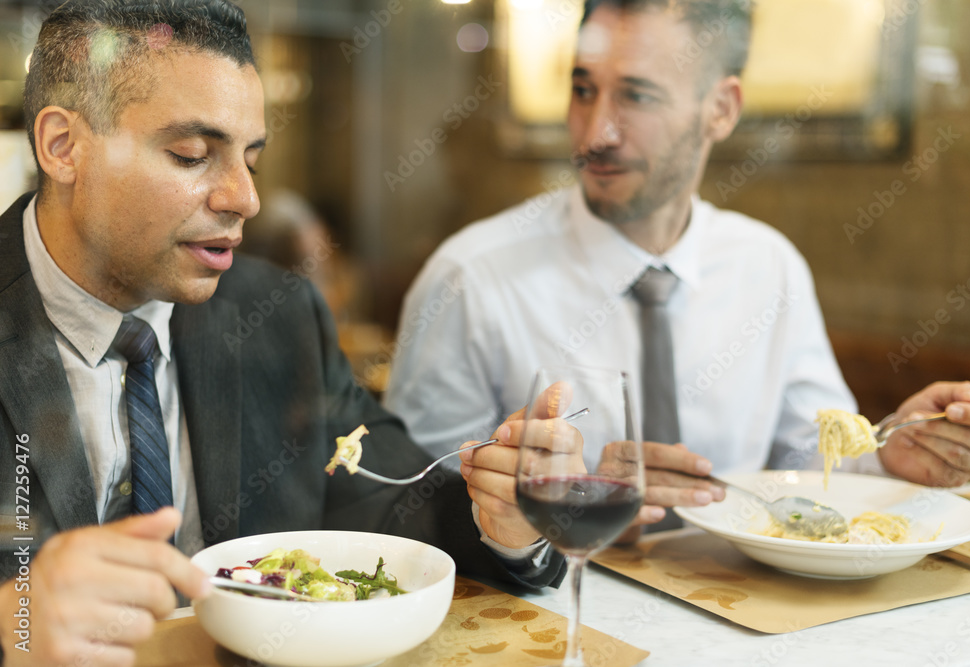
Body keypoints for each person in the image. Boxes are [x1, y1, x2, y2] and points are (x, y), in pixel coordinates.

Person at [0, 2, 563, 664]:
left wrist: (509, 519)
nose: (244, 198)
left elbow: (395, 501)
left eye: (252, 161)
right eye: (192, 155)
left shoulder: (277, 313)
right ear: (63, 146)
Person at [385, 0, 970, 539]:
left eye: (637, 95)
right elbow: (405, 506)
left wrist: (894, 456)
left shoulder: (769, 267)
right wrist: (569, 508)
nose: (596, 131)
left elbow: (808, 463)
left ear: (721, 109)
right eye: (582, 89)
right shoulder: (470, 276)